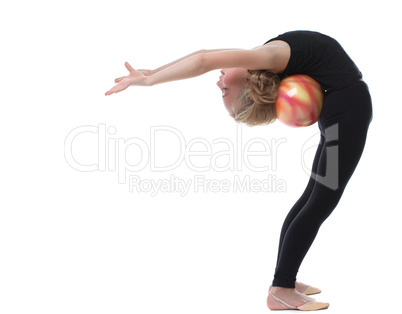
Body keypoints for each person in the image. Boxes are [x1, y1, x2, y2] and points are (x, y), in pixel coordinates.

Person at [105, 30, 373, 311]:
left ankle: (282, 282)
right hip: (347, 110)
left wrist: (153, 74)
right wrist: (150, 79)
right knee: (319, 201)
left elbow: (203, 57)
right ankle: (283, 287)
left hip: (343, 109)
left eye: (222, 89)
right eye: (225, 90)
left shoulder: (267, 57)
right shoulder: (267, 58)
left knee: (313, 198)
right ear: (246, 82)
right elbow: (203, 60)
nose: (218, 81)